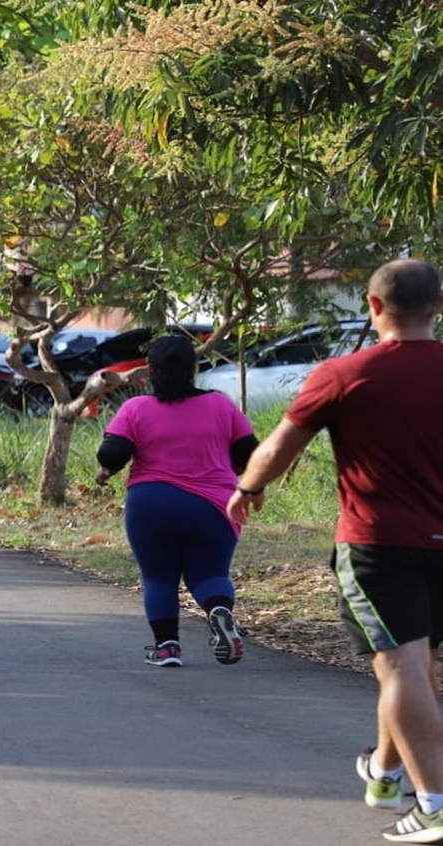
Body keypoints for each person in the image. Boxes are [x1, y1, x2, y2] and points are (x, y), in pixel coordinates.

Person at [228, 259, 443, 842]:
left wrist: (248, 488)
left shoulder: (346, 374)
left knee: (399, 666)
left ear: (373, 307)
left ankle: (434, 804)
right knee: (418, 664)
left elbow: (277, 448)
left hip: (380, 542)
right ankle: (384, 773)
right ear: (438, 308)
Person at [95, 333, 257, 668]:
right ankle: (219, 610)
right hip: (215, 505)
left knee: (159, 577)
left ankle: (167, 648)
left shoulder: (135, 408)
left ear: (150, 370)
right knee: (209, 574)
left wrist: (106, 470)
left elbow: (112, 453)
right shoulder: (220, 404)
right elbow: (250, 453)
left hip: (152, 503)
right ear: (193, 368)